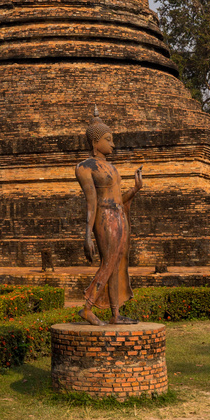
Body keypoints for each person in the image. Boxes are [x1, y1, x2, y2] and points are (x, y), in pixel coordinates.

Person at [75, 110, 143, 325]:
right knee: (108, 263)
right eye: (108, 139)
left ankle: (115, 314)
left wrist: (136, 188)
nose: (113, 145)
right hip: (104, 217)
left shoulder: (112, 168)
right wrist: (87, 235)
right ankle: (87, 308)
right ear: (95, 142)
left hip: (119, 215)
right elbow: (91, 202)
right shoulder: (85, 167)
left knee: (117, 264)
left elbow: (119, 199)